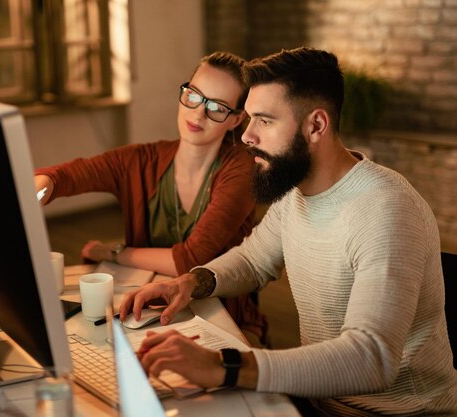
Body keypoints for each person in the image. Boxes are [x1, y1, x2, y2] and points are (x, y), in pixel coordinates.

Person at [119, 47, 457, 416]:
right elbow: (253, 259)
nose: (246, 136)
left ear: (315, 126)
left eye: (264, 120)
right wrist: (189, 282)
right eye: (248, 119)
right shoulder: (296, 190)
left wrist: (225, 367)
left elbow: (371, 357)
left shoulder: (385, 210)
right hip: (319, 401)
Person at [35, 52, 267, 345]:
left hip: (219, 316)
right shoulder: (143, 159)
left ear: (236, 119)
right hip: (143, 309)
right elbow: (67, 176)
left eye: (216, 107)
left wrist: (113, 252)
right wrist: (45, 185)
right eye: (194, 96)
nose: (197, 114)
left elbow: (190, 260)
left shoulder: (242, 170)